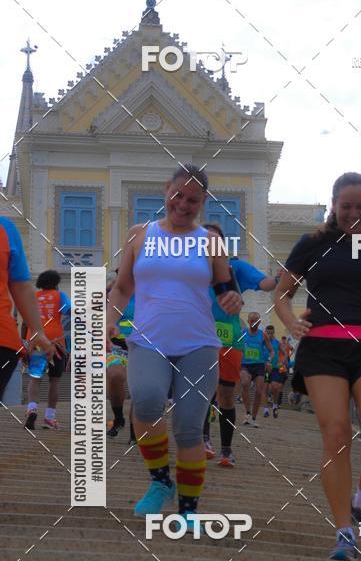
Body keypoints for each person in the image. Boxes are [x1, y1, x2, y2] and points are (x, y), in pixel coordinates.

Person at [274, 172, 361, 561]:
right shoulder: (311, 244)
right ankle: (344, 531)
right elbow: (283, 292)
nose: (352, 213)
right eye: (345, 206)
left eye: (360, 206)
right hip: (323, 348)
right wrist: (291, 320)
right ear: (334, 206)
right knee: (337, 432)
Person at [106, 164, 242, 530]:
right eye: (178, 195)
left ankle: (188, 509)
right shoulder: (139, 235)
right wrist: (107, 321)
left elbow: (226, 287)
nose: (183, 204)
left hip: (198, 344)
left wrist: (232, 300)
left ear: (203, 203)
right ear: (166, 189)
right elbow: (121, 287)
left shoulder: (211, 242)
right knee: (147, 400)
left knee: (187, 428)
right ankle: (160, 479)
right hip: (149, 339)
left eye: (193, 200)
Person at [202, 223, 278, 465]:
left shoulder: (235, 268)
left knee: (225, 395)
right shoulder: (190, 269)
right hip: (199, 338)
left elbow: (265, 283)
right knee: (201, 391)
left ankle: (226, 450)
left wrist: (279, 277)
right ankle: (204, 440)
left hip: (230, 341)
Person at [0, 218, 54, 403]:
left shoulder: (5, 228)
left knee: (40, 381)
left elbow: (20, 286)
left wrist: (38, 331)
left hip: (3, 340)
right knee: (47, 382)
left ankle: (41, 413)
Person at [22, 269, 71, 429]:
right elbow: (70, 312)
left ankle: (31, 410)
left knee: (35, 379)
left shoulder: (33, 298)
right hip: (55, 343)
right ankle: (49, 418)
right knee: (55, 381)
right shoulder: (59, 296)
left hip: (35, 341)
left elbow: (24, 322)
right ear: (56, 283)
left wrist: (25, 343)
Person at [106, 272, 136, 444]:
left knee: (138, 387)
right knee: (115, 376)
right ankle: (119, 419)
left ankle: (135, 430)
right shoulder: (112, 295)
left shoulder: (151, 291)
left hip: (143, 345)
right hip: (117, 345)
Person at [240, 312, 273, 427]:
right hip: (245, 365)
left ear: (259, 322)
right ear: (248, 321)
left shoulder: (263, 335)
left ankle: (253, 418)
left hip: (259, 366)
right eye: (252, 320)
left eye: (256, 321)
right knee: (245, 383)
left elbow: (272, 351)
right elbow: (235, 346)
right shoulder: (243, 333)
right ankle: (247, 413)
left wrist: (268, 360)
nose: (254, 323)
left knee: (259, 392)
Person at [262, 328, 290, 419]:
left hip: (275, 368)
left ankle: (275, 405)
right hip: (266, 369)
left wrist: (282, 361)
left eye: (271, 333)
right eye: (268, 333)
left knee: (275, 387)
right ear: (265, 333)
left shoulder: (276, 342)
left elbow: (285, 353)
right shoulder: (262, 342)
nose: (269, 335)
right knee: (265, 388)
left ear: (274, 333)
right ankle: (265, 409)